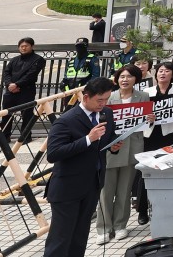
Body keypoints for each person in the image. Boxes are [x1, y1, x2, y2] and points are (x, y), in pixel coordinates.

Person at [42, 77, 120, 257]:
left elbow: (105, 142)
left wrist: (114, 146)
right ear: (86, 97)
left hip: (92, 185)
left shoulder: (106, 114)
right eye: (99, 100)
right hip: (67, 189)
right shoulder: (66, 120)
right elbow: (53, 153)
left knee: (80, 236)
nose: (103, 104)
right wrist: (87, 139)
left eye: (106, 99)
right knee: (60, 239)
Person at [97, 65, 151, 244]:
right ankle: (104, 228)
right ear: (117, 79)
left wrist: (151, 120)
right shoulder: (109, 98)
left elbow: (146, 125)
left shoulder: (142, 96)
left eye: (129, 76)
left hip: (133, 146)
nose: (125, 80)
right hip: (112, 148)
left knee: (124, 190)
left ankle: (120, 225)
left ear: (136, 79)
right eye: (122, 76)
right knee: (106, 191)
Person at [139, 61, 173, 224]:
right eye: (160, 71)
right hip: (150, 134)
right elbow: (141, 115)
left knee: (171, 167)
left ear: (172, 74)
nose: (163, 73)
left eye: (167, 71)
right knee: (146, 170)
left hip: (170, 133)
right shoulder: (147, 92)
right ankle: (142, 209)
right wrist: (148, 118)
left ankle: (171, 204)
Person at [0, 37, 45, 141]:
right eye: (21, 46)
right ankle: (4, 137)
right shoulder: (14, 60)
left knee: (27, 115)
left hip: (26, 91)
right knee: (6, 114)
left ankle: (25, 137)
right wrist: (9, 85)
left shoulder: (38, 59)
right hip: (11, 91)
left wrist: (17, 85)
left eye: (26, 46)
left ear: (32, 46)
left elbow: (31, 75)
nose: (23, 48)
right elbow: (6, 73)